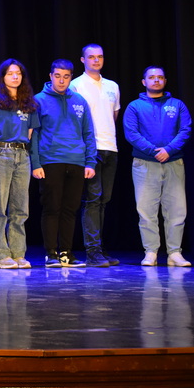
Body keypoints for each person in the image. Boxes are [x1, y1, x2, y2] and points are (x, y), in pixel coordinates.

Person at [123, 66, 193, 267]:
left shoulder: (177, 105)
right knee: (146, 210)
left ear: (165, 81)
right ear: (144, 82)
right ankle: (151, 252)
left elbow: (185, 130)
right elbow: (131, 133)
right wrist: (154, 151)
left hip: (173, 162)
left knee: (177, 210)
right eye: (152, 77)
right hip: (145, 164)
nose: (156, 80)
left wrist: (169, 150)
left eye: (160, 77)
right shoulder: (135, 106)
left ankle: (174, 253)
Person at [30, 60, 97, 268]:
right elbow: (34, 134)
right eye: (57, 76)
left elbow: (88, 133)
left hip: (76, 161)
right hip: (51, 160)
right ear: (50, 76)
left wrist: (90, 162)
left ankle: (67, 253)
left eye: (66, 77)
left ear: (71, 78)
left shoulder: (79, 101)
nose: (61, 80)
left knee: (70, 209)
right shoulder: (38, 101)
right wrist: (35, 163)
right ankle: (51, 253)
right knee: (52, 208)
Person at [69, 44, 122, 267]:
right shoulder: (76, 85)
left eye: (100, 56)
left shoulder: (112, 86)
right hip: (90, 149)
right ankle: (92, 252)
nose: (96, 60)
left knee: (103, 200)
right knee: (92, 199)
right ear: (83, 60)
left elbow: (114, 115)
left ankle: (99, 248)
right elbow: (73, 119)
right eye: (91, 57)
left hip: (111, 147)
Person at [0, 59, 40, 269]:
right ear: (3, 77)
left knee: (20, 207)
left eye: (18, 73)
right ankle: (1, 254)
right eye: (10, 73)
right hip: (0, 153)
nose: (15, 77)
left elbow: (31, 133)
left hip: (22, 155)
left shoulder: (29, 103)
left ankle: (18, 253)